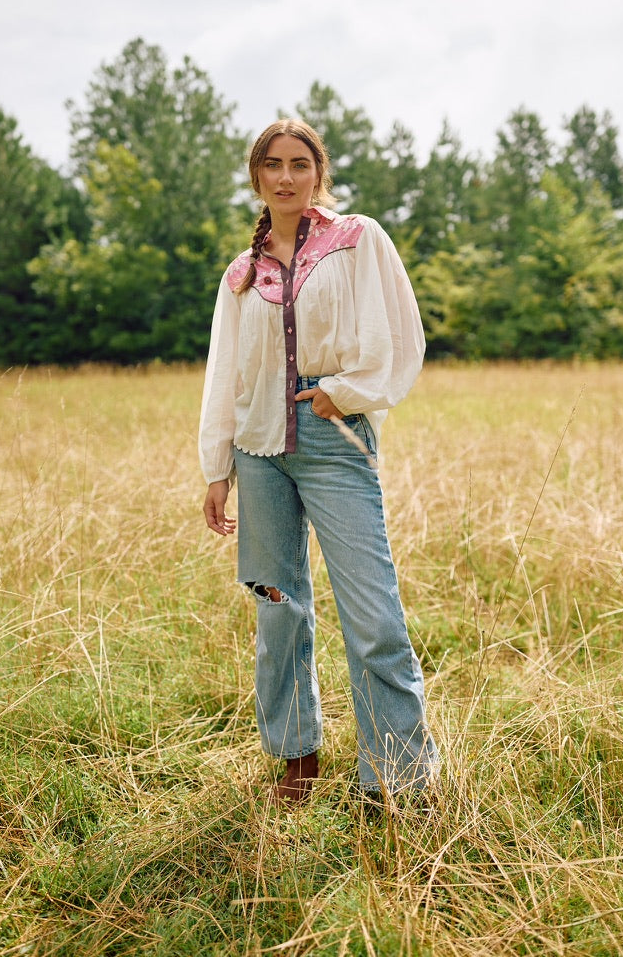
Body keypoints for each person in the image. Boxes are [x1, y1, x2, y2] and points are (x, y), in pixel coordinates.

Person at [199, 118, 439, 805]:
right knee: (278, 609)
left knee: (374, 618)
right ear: (256, 175)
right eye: (271, 164)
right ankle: (296, 757)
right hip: (257, 452)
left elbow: (398, 331)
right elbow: (225, 375)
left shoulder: (356, 240)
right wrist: (217, 465)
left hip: (333, 440)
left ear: (318, 171)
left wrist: (344, 393)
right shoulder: (242, 274)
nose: (284, 177)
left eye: (298, 163)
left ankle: (398, 779)